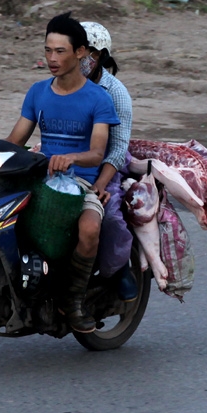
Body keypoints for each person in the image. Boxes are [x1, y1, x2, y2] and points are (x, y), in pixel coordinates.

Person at [0, 12, 120, 334]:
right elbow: (14, 142)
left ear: (81, 52)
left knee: (90, 229)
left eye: (60, 51)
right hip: (37, 174)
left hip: (78, 182)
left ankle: (73, 300)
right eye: (47, 51)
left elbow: (98, 151)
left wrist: (71, 158)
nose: (52, 59)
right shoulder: (38, 92)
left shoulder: (99, 99)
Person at [80, 22, 137, 302]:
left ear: (99, 55)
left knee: (110, 214)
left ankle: (117, 270)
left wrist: (100, 184)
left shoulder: (115, 93)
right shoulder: (57, 86)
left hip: (106, 163)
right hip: (68, 160)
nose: (79, 57)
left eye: (85, 52)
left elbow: (117, 148)